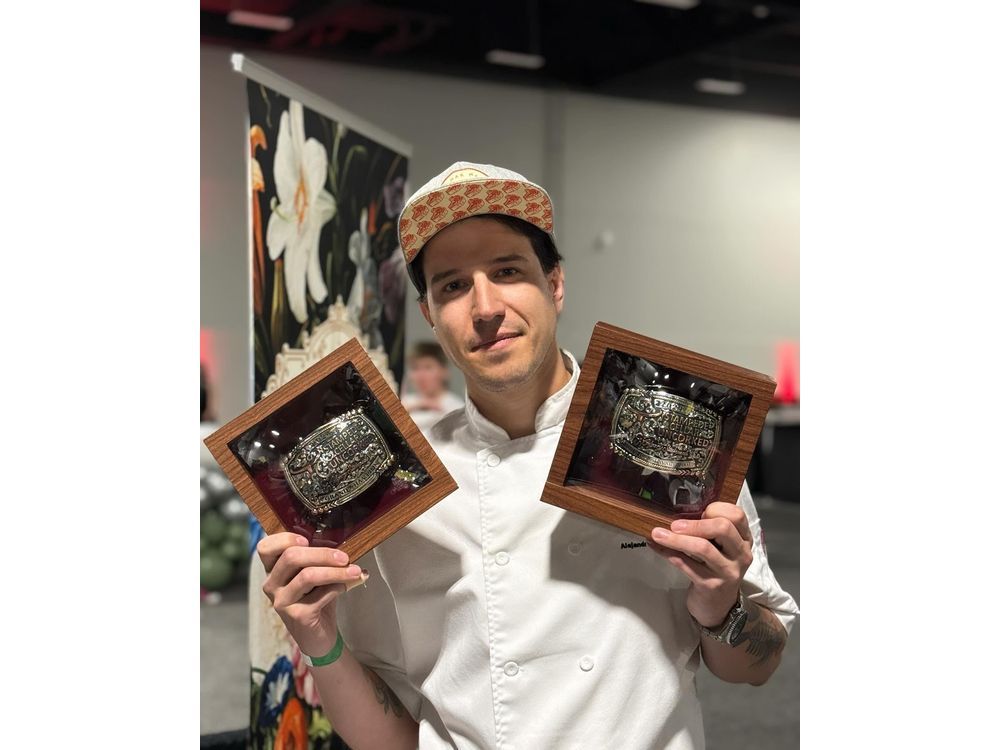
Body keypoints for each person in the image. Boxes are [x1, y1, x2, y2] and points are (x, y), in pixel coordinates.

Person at [257, 162, 799, 749]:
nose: (485, 306)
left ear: (556, 284)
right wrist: (318, 638)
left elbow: (758, 666)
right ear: (430, 316)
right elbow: (389, 739)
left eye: (508, 271)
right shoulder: (400, 489)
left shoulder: (673, 446)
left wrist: (721, 604)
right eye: (452, 285)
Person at [400, 340, 464, 434]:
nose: (421, 376)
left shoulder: (457, 407)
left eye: (428, 367)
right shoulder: (405, 402)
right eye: (415, 368)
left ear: (444, 371)